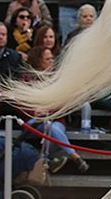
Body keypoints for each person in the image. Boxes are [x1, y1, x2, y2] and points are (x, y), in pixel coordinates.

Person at [24, 46, 90, 174]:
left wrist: (49, 110)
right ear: (38, 61)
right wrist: (34, 112)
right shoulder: (27, 78)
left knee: (52, 128)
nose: (51, 62)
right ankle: (74, 156)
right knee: (47, 125)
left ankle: (48, 160)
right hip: (33, 120)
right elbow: (21, 102)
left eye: (52, 59)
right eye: (47, 59)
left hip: (56, 118)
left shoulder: (58, 79)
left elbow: (64, 103)